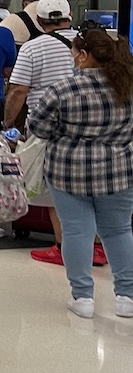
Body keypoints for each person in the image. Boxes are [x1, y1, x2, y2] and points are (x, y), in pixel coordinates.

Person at [28, 26, 133, 320]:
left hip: (68, 171)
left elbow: (38, 127)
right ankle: (127, 296)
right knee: (119, 230)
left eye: (74, 53)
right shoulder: (128, 87)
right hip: (120, 172)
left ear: (84, 55)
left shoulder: (64, 89)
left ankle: (83, 297)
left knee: (77, 231)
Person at [4, 0, 81, 261]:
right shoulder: (90, 45)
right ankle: (94, 246)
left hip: (48, 127)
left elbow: (18, 90)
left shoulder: (33, 47)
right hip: (89, 126)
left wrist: (8, 122)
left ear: (39, 21)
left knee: (52, 189)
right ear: (69, 17)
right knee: (87, 188)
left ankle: (61, 247)